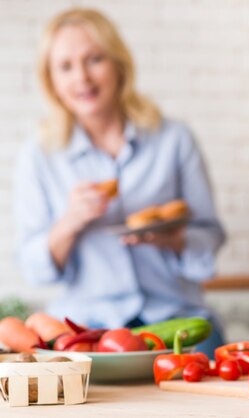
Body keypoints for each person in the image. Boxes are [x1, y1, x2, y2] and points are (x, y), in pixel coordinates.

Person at [12, 8, 227, 354]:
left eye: (94, 59)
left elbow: (211, 234)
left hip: (177, 317)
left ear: (118, 64)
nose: (81, 77)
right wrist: (68, 224)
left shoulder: (173, 139)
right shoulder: (40, 156)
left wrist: (175, 239)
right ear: (51, 81)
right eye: (65, 66)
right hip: (88, 327)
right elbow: (33, 268)